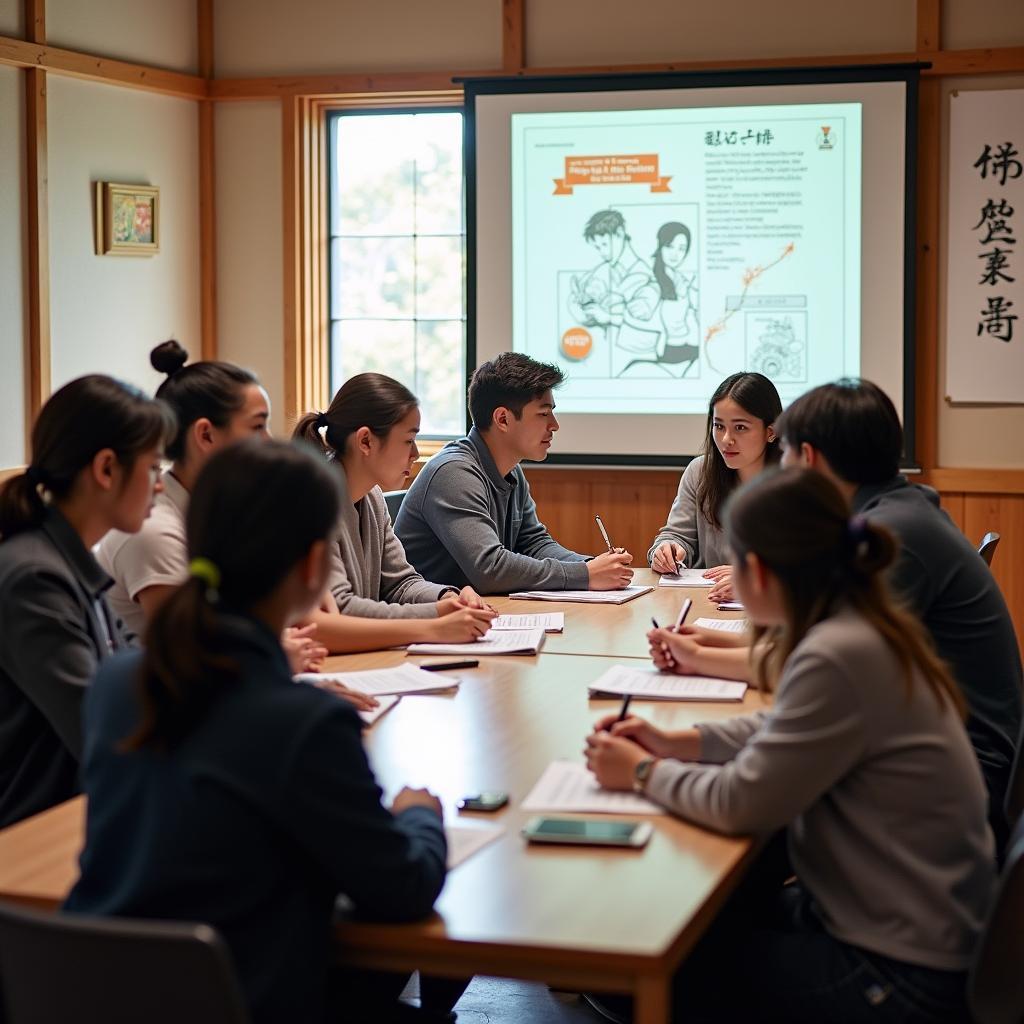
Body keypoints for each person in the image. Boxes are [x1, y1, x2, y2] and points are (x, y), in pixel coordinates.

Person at [65, 439, 454, 1024]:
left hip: (96, 994)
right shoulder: (304, 721)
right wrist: (420, 813)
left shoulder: (118, 683)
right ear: (311, 567)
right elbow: (401, 888)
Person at [586, 468, 995, 1024]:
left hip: (897, 970)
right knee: (695, 927)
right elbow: (779, 728)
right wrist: (672, 741)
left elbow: (740, 802)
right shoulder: (852, 626)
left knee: (633, 974)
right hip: (905, 924)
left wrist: (640, 774)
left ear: (755, 571)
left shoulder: (837, 653)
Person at [776, 378, 1022, 856]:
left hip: (961, 781)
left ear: (808, 458)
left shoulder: (891, 536)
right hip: (945, 755)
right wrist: (707, 654)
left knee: (761, 806)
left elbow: (823, 665)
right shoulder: (900, 511)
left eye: (782, 454)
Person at [96, 341, 329, 677]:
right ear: (205, 435)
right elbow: (195, 655)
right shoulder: (154, 529)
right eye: (257, 426)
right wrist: (275, 662)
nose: (268, 440)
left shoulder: (224, 513)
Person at [0, 375, 172, 827]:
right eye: (154, 468)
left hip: (86, 807)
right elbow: (101, 726)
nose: (159, 486)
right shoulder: (34, 578)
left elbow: (141, 671)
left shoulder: (68, 562)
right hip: (35, 831)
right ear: (107, 469)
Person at [396, 353, 633, 595]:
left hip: (479, 612)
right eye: (543, 413)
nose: (554, 425)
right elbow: (490, 569)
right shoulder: (453, 473)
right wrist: (585, 575)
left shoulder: (511, 470)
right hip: (433, 620)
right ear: (503, 419)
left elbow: (534, 543)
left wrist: (591, 565)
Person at [293, 372, 495, 652]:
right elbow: (339, 609)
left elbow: (400, 583)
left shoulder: (372, 495)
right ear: (365, 441)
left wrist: (449, 597)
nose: (415, 453)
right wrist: (436, 618)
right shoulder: (310, 498)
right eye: (408, 440)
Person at [648, 371, 781, 601]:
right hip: (707, 600)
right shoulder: (700, 471)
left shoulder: (797, 480)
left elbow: (817, 562)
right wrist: (667, 549)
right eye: (719, 426)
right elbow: (677, 535)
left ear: (770, 432)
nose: (726, 439)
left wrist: (757, 575)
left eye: (740, 428)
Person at [619, 222, 700, 378]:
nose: (675, 254)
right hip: (669, 351)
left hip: (688, 346)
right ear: (660, 246)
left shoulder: (682, 280)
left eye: (682, 249)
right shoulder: (651, 280)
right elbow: (642, 305)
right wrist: (639, 306)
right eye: (670, 246)